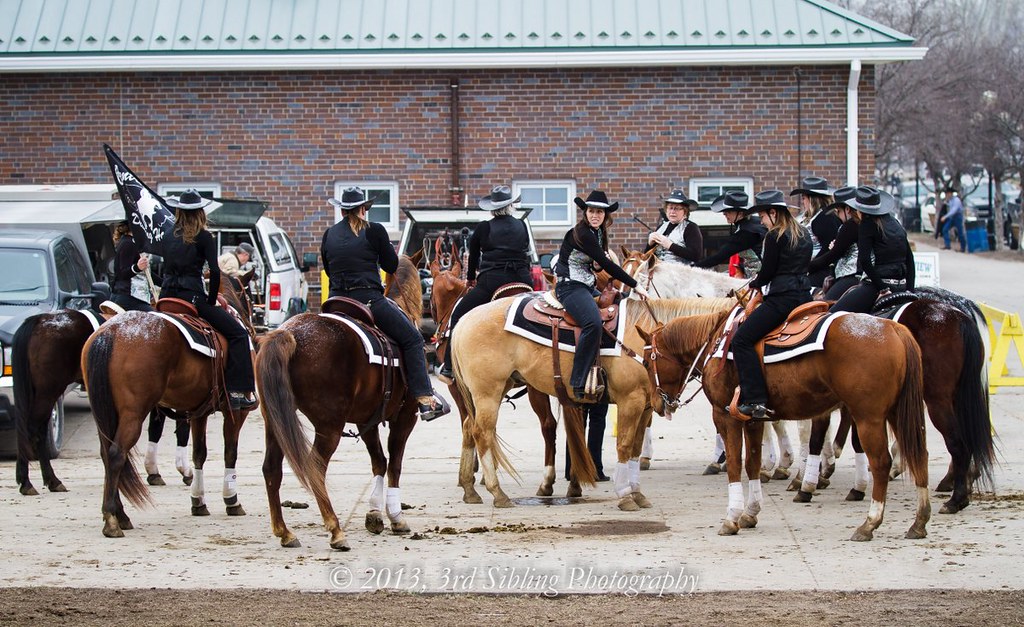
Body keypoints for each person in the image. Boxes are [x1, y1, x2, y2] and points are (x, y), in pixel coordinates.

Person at [322, 187, 450, 421]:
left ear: (342, 210)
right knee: (412, 339)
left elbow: (329, 270)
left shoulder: (329, 234)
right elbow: (391, 266)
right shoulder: (374, 231)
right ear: (363, 209)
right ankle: (424, 399)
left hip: (335, 302)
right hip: (367, 301)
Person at [159, 189, 258, 411]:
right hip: (191, 297)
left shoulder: (167, 234)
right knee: (239, 334)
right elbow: (215, 272)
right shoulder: (204, 237)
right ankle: (236, 391)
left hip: (166, 297)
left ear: (179, 212)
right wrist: (211, 299)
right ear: (200, 212)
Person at [553, 190, 648, 403]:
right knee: (593, 323)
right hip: (570, 287)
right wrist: (636, 285)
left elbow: (596, 264)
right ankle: (577, 380)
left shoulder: (599, 232)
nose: (595, 215)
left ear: (606, 215)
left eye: (599, 212)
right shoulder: (583, 233)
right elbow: (607, 265)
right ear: (585, 213)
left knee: (623, 301)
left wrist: (596, 265)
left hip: (586, 285)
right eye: (591, 211)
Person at [438, 185, 533, 384]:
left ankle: (448, 367)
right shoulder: (522, 225)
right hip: (523, 280)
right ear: (510, 206)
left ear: (493, 207)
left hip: (493, 280)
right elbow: (527, 254)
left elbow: (473, 257)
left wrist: (471, 278)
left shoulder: (484, 227)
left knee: (458, 314)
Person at [732, 190, 813, 420]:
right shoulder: (803, 233)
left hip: (782, 299)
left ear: (773, 213)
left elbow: (767, 273)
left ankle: (755, 399)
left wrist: (754, 284)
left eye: (763, 216)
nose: (762, 221)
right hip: (805, 296)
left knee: (742, 340)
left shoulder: (774, 236)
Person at [830, 186, 915, 314]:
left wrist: (883, 289)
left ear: (859, 210)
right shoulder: (895, 222)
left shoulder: (867, 224)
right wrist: (909, 290)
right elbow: (910, 259)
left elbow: (865, 261)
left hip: (876, 286)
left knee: (833, 314)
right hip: (901, 286)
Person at [693, 191, 767, 279]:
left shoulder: (746, 232)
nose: (724, 214)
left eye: (728, 211)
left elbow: (719, 256)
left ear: (740, 213)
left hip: (760, 279)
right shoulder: (754, 222)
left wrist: (692, 267)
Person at [807, 186, 861, 300]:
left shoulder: (850, 225)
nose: (837, 215)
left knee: (827, 308)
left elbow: (833, 255)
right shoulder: (859, 224)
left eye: (839, 211)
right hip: (856, 274)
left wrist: (807, 267)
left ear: (847, 210)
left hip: (851, 275)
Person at [790, 176, 841, 290]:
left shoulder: (825, 217)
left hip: (821, 271)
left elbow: (828, 249)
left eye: (804, 198)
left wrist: (808, 267)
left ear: (811, 199)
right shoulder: (817, 216)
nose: (803, 202)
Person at [643, 189, 703, 265]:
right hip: (658, 271)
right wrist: (649, 245)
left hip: (680, 273)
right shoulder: (661, 227)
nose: (672, 212)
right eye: (670, 208)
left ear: (685, 211)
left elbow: (696, 256)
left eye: (677, 208)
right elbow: (646, 257)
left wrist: (670, 245)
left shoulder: (691, 228)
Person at [110, 220, 157, 312]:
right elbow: (122, 272)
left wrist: (164, 283)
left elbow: (147, 274)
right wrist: (137, 267)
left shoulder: (133, 243)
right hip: (129, 297)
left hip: (133, 296)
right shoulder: (128, 243)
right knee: (157, 319)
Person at [564, 400, 610, 482]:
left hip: (576, 389)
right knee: (597, 419)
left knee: (577, 420)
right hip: (598, 390)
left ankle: (572, 468)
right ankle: (595, 470)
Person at [940, 187, 966, 252]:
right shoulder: (950, 201)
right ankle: (947, 245)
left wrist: (945, 217)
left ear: (950, 193)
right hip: (952, 217)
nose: (947, 195)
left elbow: (954, 210)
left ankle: (963, 247)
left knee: (960, 232)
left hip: (957, 216)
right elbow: (950, 209)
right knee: (945, 229)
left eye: (947, 194)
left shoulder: (956, 200)